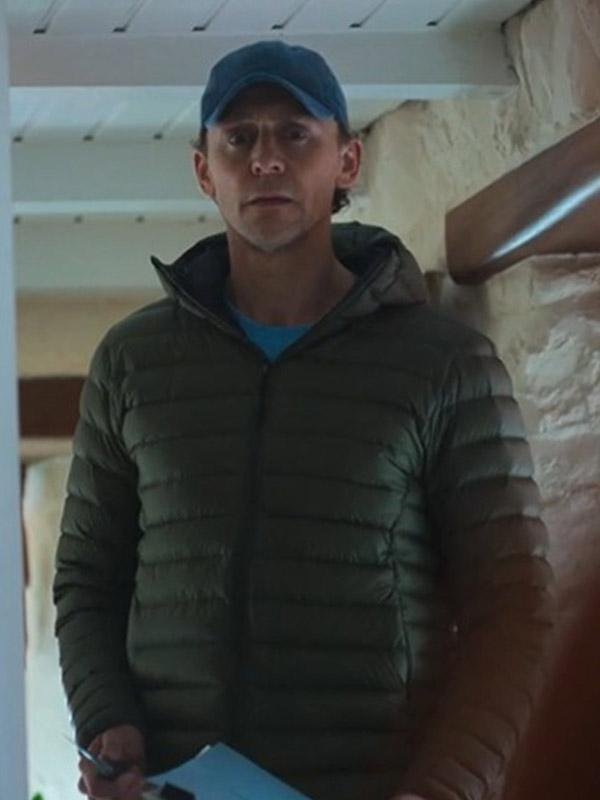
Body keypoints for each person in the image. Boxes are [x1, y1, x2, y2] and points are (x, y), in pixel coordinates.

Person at [54, 40, 553, 800]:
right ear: (204, 171)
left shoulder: (445, 364)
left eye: (295, 133)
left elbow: (512, 609)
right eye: (238, 138)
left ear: (346, 161)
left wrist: (444, 787)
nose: (265, 159)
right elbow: (89, 581)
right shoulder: (132, 363)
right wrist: (107, 724)